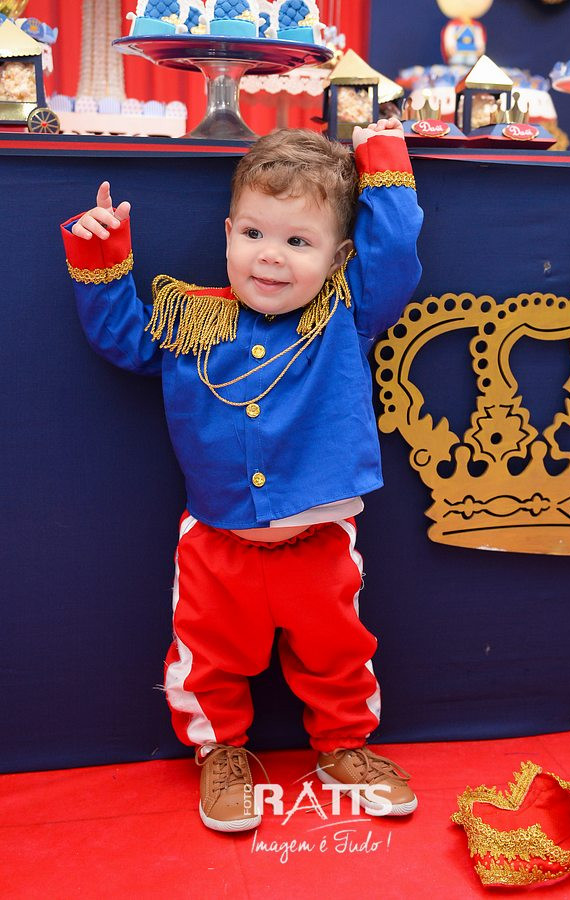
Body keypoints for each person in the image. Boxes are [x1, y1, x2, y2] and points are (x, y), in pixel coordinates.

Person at [60, 118, 423, 833]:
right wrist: (101, 252)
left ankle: (343, 746)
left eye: (299, 242)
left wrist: (382, 157)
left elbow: (394, 257)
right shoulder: (189, 320)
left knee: (339, 655)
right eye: (254, 234)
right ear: (228, 234)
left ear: (338, 256)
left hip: (318, 545)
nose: (271, 256)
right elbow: (121, 337)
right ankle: (220, 752)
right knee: (206, 660)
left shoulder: (345, 314)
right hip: (216, 544)